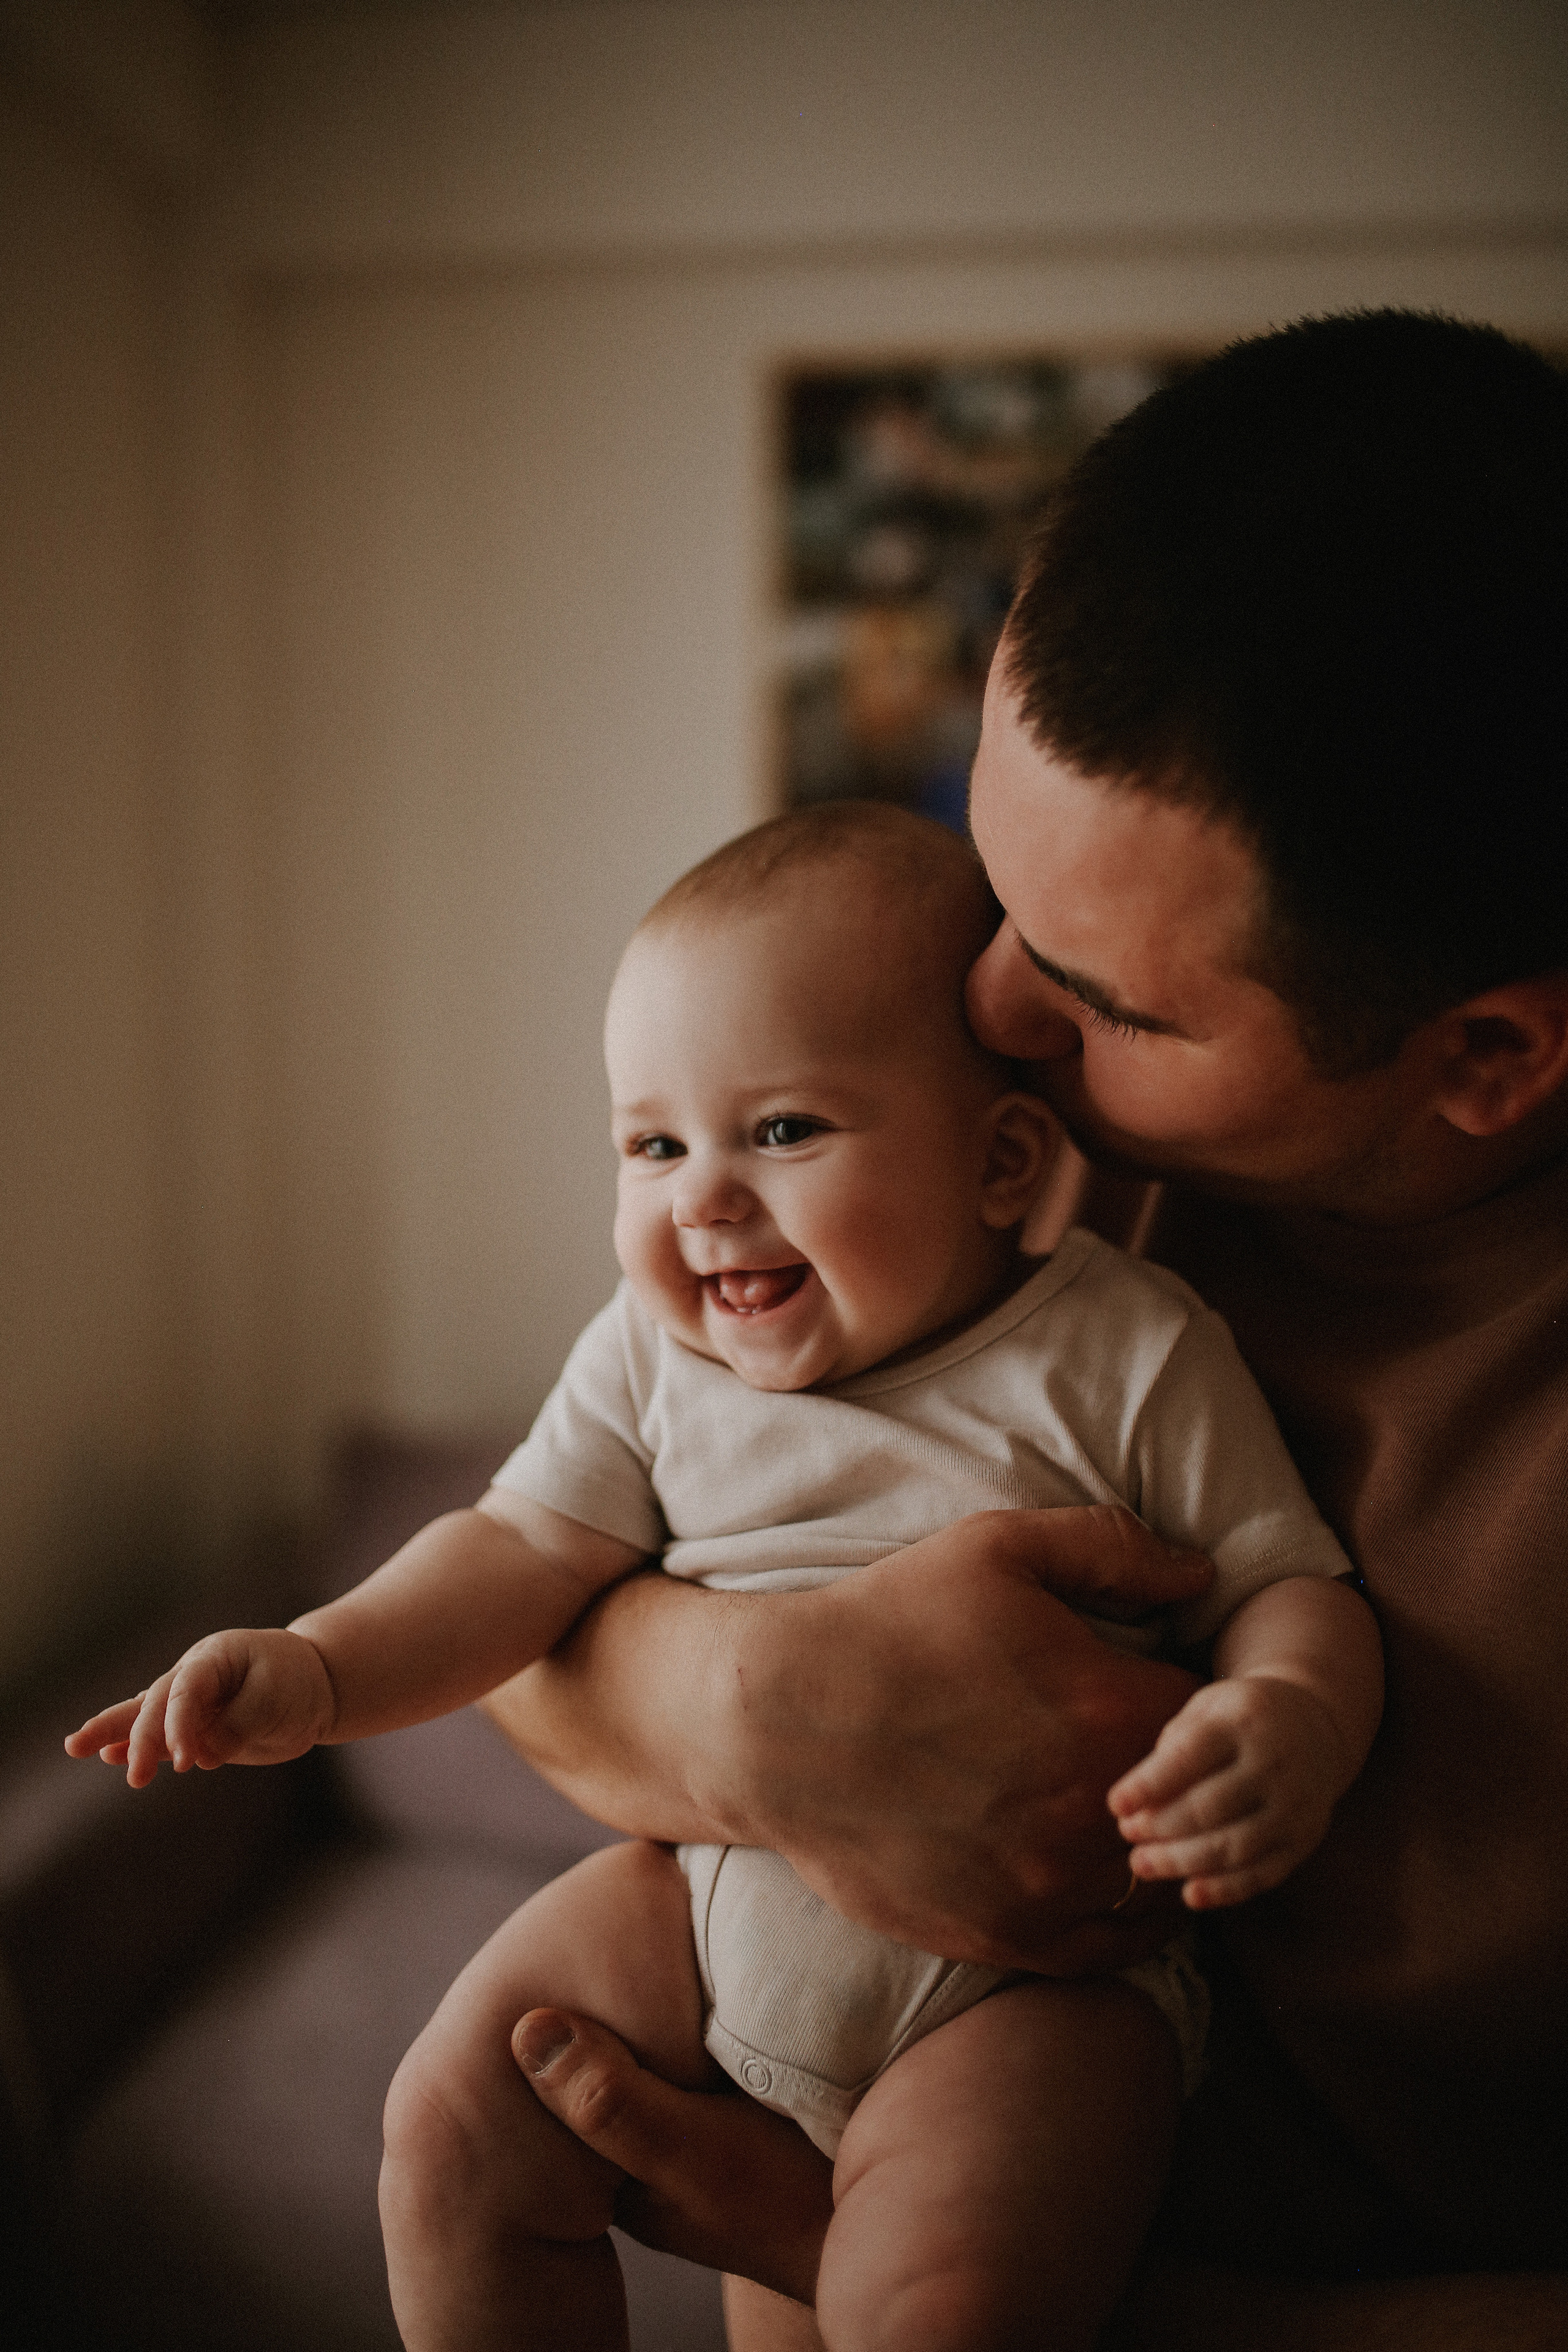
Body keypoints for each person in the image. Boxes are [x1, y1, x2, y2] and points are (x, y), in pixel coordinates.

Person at [480, 311, 1568, 2351]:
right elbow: (530, 1640)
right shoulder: (1004, 1155)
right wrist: (760, 1710)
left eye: (1115, 1000)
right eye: (992, 886)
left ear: (1488, 1053)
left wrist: (954, 2285)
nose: (987, 1016)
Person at [66, 802, 1381, 2352]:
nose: (701, 1196)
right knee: (448, 2126)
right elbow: (514, 1552)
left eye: (782, 1130)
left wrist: (1288, 1708)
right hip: (701, 1910)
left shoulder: (1124, 1349)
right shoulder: (648, 1363)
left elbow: (1290, 1585)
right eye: (652, 1143)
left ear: (1001, 1159)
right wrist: (324, 1667)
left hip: (1035, 1993)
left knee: (941, 2306)